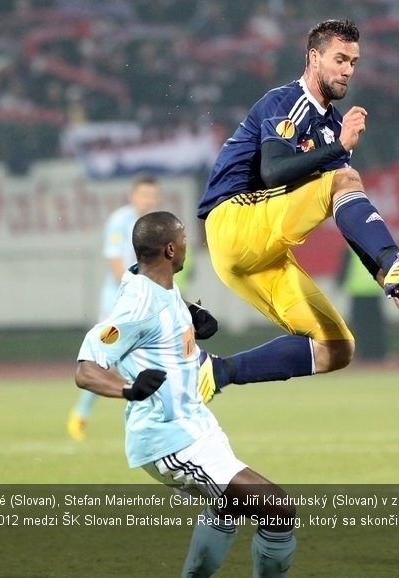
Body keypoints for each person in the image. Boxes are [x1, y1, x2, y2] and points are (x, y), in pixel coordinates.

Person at [196, 19, 399, 392]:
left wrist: (382, 275)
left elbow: (347, 209)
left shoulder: (332, 125)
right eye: (340, 59)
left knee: (337, 347)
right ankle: (396, 259)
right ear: (314, 58)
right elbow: (272, 171)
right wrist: (341, 148)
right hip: (234, 220)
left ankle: (217, 371)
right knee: (344, 177)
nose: (347, 70)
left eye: (354, 62)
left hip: (257, 256)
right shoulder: (287, 102)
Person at [74, 211, 296, 577]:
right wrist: (128, 389)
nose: (188, 249)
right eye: (185, 243)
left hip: (197, 427)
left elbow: (160, 314)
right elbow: (86, 369)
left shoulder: (155, 282)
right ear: (171, 249)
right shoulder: (137, 305)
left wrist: (190, 314)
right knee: (278, 509)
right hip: (171, 441)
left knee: (228, 507)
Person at [67, 174, 162, 440]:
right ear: (133, 196)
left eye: (153, 196)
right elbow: (115, 261)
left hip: (146, 305)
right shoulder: (120, 221)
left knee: (145, 358)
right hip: (117, 307)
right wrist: (132, 290)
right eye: (144, 194)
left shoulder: (157, 226)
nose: (148, 200)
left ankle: (143, 418)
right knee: (105, 359)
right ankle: (81, 413)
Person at [336, 247, 387, 361]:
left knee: (362, 326)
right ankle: (379, 353)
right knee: (375, 326)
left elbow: (344, 270)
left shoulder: (350, 250)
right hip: (372, 292)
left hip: (358, 293)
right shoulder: (375, 249)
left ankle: (365, 353)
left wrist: (338, 286)